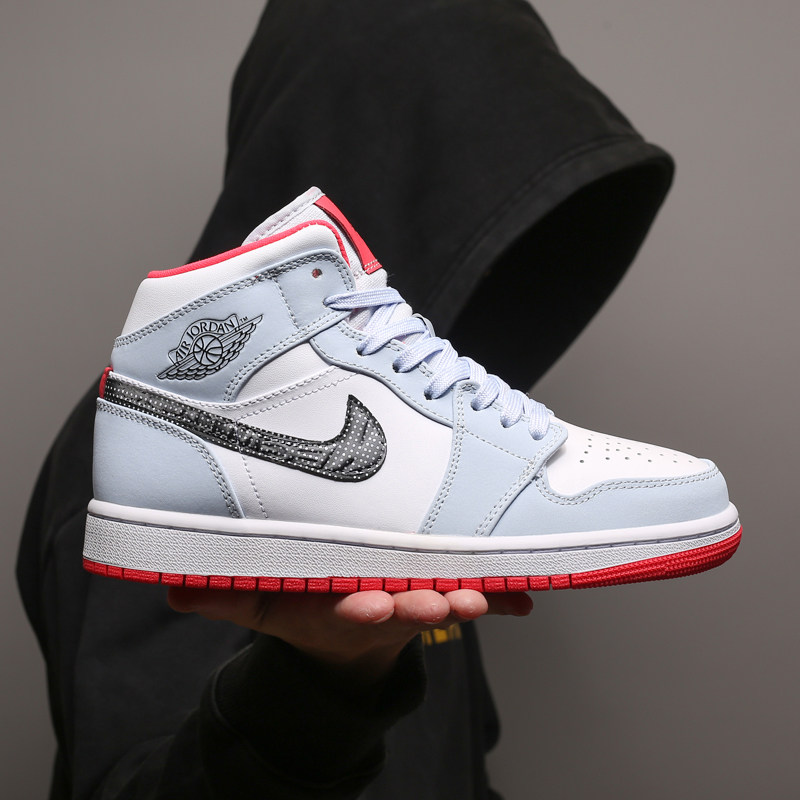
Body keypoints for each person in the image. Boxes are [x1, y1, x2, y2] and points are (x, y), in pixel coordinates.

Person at [17, 2, 674, 797]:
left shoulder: (407, 486)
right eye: (454, 170)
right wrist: (323, 677)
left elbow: (454, 763)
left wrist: (365, 669)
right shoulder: (166, 445)